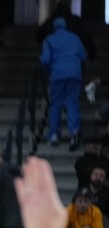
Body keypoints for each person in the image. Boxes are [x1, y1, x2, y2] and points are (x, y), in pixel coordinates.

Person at [41, 17, 87, 149]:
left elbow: (45, 60)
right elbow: (83, 56)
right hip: (74, 75)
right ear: (66, 26)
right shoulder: (75, 38)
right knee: (72, 103)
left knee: (56, 104)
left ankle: (54, 134)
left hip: (57, 75)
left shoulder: (49, 39)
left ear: (55, 27)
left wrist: (49, 69)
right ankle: (74, 133)